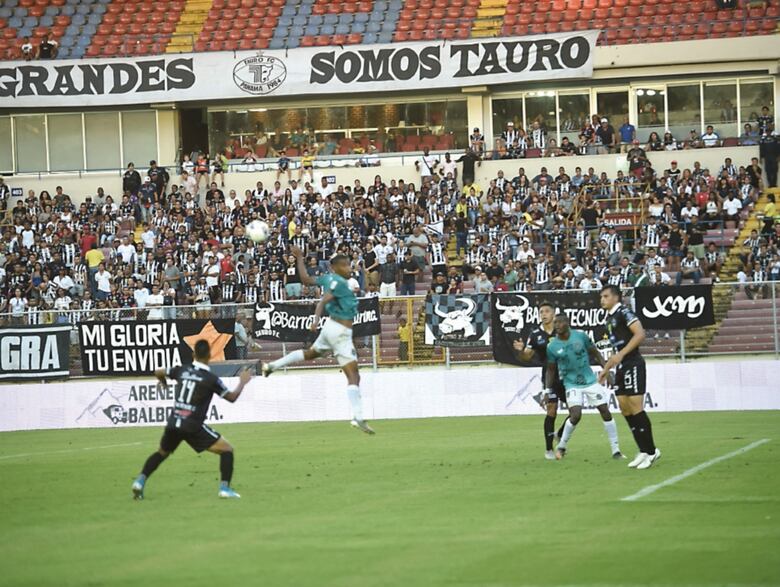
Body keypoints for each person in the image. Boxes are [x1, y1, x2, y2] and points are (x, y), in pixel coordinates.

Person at [261, 247, 375, 434]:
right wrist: (315, 317)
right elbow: (324, 299)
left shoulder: (328, 279)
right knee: (354, 376)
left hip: (330, 327)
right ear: (336, 267)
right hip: (340, 332)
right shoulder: (339, 283)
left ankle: (272, 366)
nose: (349, 268)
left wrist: (299, 258)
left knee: (311, 354)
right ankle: (358, 416)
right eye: (345, 265)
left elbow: (306, 280)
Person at [130, 339, 252, 500]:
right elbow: (231, 397)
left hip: (174, 422)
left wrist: (164, 382)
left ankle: (139, 481)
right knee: (227, 450)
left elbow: (158, 371)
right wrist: (242, 382)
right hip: (193, 425)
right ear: (209, 355)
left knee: (161, 453)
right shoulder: (210, 379)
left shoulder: (182, 370)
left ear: (193, 355)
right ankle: (224, 489)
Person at [598, 285, 661, 470]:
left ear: (616, 298)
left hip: (633, 363)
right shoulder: (609, 318)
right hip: (621, 367)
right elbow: (616, 351)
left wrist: (621, 355)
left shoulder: (624, 312)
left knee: (636, 408)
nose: (602, 299)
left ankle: (651, 451)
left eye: (606, 296)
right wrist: (606, 369)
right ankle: (642, 449)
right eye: (601, 296)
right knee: (624, 409)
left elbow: (640, 334)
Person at [545, 313, 622, 460]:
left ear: (567, 323)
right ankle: (561, 446)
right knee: (575, 415)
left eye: (559, 322)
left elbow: (596, 353)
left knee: (605, 411)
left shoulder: (581, 336)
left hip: (590, 380)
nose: (557, 326)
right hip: (571, 383)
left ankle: (616, 450)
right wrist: (547, 390)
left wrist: (607, 372)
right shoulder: (552, 346)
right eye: (555, 323)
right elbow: (550, 369)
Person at [511, 301, 567, 460]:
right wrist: (521, 351)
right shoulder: (535, 334)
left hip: (567, 375)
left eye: (547, 311)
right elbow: (527, 357)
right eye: (541, 311)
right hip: (550, 376)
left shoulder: (562, 331)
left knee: (576, 411)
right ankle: (549, 449)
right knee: (552, 410)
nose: (543, 314)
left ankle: (561, 433)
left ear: (554, 314)